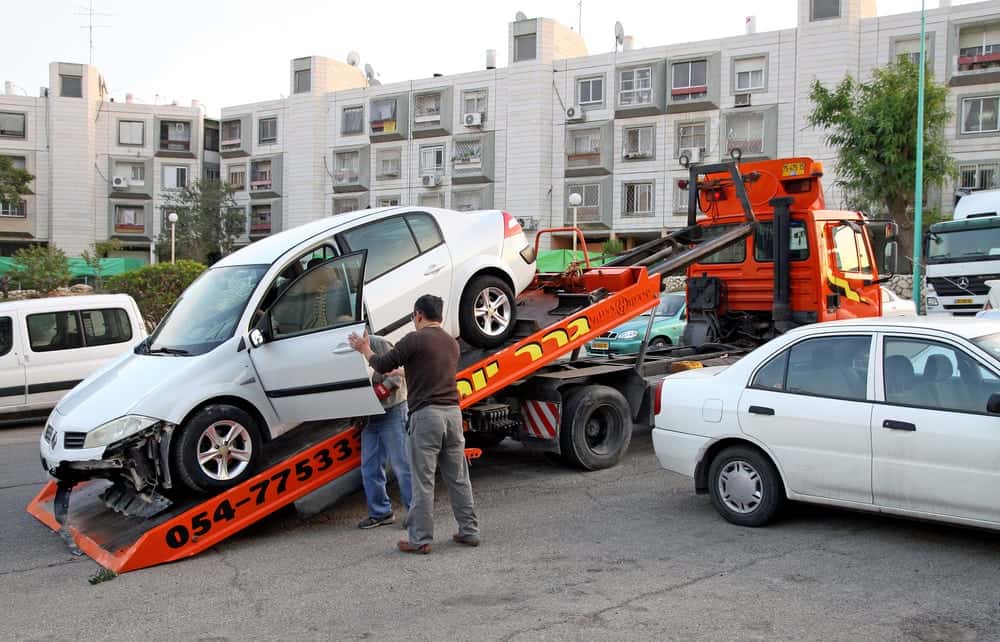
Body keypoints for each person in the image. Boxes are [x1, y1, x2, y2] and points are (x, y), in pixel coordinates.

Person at [348, 294, 479, 555]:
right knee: (459, 478)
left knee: (423, 481)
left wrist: (365, 349)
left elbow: (383, 363)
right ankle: (469, 531)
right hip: (453, 415)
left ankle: (420, 539)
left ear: (418, 315)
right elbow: (429, 371)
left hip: (427, 416)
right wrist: (402, 372)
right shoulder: (450, 343)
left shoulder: (414, 339)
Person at [357, 335, 413, 530]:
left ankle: (416, 513)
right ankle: (381, 512)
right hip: (370, 417)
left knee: (402, 465)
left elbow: (398, 375)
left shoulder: (379, 344)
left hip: (392, 409)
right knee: (370, 466)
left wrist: (381, 391)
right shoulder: (344, 352)